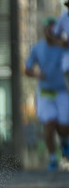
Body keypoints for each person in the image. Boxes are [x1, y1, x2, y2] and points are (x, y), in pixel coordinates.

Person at [25, 18, 69, 172]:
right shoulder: (37, 48)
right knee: (49, 124)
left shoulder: (64, 47)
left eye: (53, 28)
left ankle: (64, 141)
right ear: (44, 30)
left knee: (64, 127)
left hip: (62, 91)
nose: (50, 31)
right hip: (45, 93)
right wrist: (36, 74)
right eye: (48, 28)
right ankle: (52, 158)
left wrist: (58, 40)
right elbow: (27, 69)